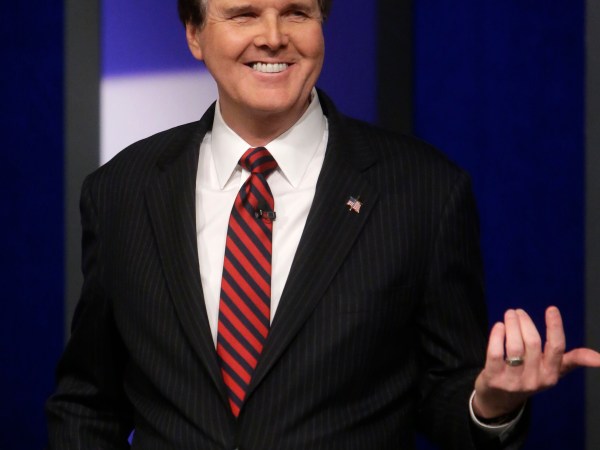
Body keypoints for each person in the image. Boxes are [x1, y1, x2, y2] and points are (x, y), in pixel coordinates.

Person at [46, 0, 600, 448]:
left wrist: (490, 406)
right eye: (244, 14)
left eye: (296, 12)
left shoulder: (425, 191)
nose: (273, 37)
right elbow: (88, 402)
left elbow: (444, 390)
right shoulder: (121, 191)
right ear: (194, 33)